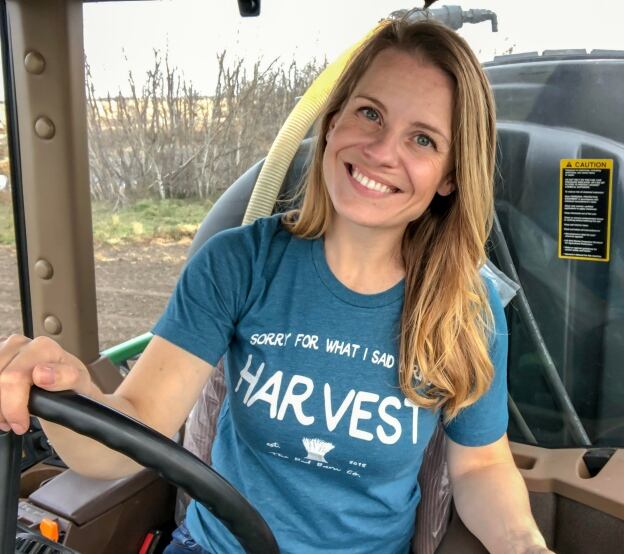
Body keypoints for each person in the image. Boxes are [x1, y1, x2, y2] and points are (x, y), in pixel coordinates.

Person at [0, 17, 551, 554]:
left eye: (424, 139)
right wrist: (65, 390)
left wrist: (523, 544)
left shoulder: (467, 308)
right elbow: (130, 431)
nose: (384, 152)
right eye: (369, 113)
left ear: (452, 176)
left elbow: (480, 464)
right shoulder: (239, 264)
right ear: (332, 122)